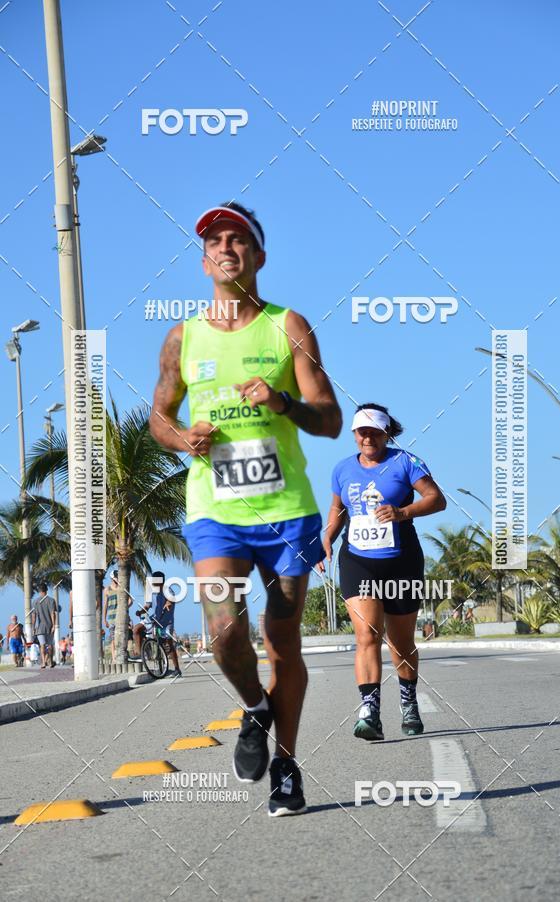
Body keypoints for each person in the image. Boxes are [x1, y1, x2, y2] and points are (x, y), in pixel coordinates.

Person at [150, 201, 341, 816]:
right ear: (204, 260)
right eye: (215, 241)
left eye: (238, 239)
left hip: (286, 511)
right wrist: (183, 438)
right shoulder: (182, 336)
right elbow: (160, 417)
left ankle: (287, 766)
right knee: (225, 629)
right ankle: (255, 708)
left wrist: (284, 401)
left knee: (281, 638)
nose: (226, 248)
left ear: (258, 256)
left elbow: (331, 420)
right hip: (216, 510)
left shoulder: (289, 327)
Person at [319, 403, 446, 741]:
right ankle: (370, 712)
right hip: (358, 559)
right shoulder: (342, 469)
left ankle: (408, 703)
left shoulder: (405, 462)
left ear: (386, 433)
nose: (368, 438)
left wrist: (402, 512)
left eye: (375, 431)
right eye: (362, 432)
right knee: (367, 635)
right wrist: (327, 538)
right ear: (355, 435)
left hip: (401, 559)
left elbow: (437, 499)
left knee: (401, 641)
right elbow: (337, 509)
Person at [150, 571, 182, 677]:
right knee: (159, 642)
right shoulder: (154, 592)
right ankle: (163, 667)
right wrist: (142, 610)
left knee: (168, 643)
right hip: (157, 620)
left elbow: (172, 599)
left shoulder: (167, 590)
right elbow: (150, 605)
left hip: (167, 622)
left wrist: (169, 603)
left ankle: (177, 669)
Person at [31, 583, 58, 669]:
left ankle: (43, 663)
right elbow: (52, 613)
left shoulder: (35, 601)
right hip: (49, 626)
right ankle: (50, 662)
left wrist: (33, 628)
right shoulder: (51, 600)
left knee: (42, 645)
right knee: (50, 645)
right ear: (46, 590)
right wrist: (54, 625)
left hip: (39, 627)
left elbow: (34, 616)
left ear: (39, 591)